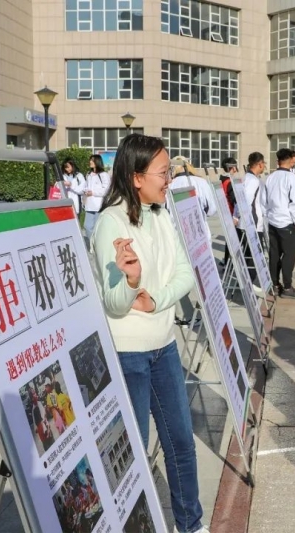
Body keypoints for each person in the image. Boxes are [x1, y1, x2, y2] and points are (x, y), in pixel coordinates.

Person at [92, 134, 207, 533]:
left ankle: (191, 525)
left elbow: (186, 274)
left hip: (164, 346)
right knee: (133, 452)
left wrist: (156, 299)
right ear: (136, 177)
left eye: (169, 170)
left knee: (181, 443)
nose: (169, 179)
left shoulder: (160, 214)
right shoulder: (110, 223)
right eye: (163, 172)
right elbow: (114, 303)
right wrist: (131, 281)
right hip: (128, 355)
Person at [265, 148, 295, 299]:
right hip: (287, 222)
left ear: (278, 161)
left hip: (273, 220)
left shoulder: (270, 177)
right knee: (289, 255)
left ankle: (275, 285)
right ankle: (287, 287)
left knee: (274, 254)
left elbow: (264, 200)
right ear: (290, 160)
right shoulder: (291, 178)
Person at [235, 152, 267, 294]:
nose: (264, 166)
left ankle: (247, 281)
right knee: (254, 254)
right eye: (264, 163)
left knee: (248, 253)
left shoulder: (245, 178)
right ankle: (250, 283)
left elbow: (239, 200)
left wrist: (236, 216)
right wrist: (241, 217)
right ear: (259, 164)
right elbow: (246, 200)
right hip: (252, 223)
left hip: (246, 222)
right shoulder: (253, 180)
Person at [83, 154, 111, 248]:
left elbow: (106, 190)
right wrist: (86, 191)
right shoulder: (89, 174)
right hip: (89, 205)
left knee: (98, 227)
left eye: (92, 160)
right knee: (87, 226)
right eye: (90, 160)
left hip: (99, 205)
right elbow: (86, 186)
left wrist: (93, 193)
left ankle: (99, 246)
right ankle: (93, 245)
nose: (90, 162)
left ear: (97, 162)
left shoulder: (103, 175)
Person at [219, 157, 239, 267]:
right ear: (232, 167)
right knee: (232, 240)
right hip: (231, 214)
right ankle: (228, 263)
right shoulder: (229, 182)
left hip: (225, 213)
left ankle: (227, 262)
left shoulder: (222, 180)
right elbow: (234, 200)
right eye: (235, 166)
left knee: (229, 240)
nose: (236, 169)